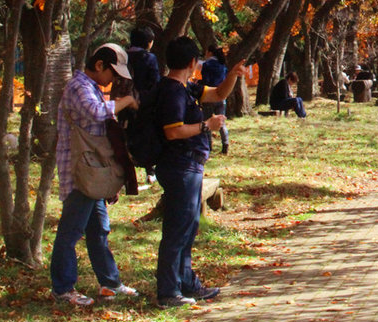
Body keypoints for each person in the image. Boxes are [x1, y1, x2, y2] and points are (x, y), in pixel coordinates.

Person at [155, 36, 246, 307]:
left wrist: (232, 76)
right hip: (179, 166)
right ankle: (168, 291)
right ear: (193, 62)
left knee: (188, 226)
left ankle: (187, 284)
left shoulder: (186, 87)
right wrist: (207, 126)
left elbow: (217, 94)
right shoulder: (172, 91)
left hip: (190, 165)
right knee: (177, 229)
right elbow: (173, 131)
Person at [50, 43, 140, 307]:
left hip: (94, 171)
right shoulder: (78, 87)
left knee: (98, 230)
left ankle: (110, 283)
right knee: (70, 233)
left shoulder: (91, 87)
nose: (113, 80)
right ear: (99, 65)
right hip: (81, 173)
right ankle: (63, 289)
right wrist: (126, 101)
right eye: (112, 73)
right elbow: (96, 112)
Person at [128, 26, 161, 182]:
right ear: (148, 42)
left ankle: (127, 173)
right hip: (144, 103)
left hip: (124, 102)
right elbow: (154, 82)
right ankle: (150, 171)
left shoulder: (124, 57)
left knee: (126, 135)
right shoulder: (149, 58)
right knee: (147, 135)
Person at [199, 45, 229, 154]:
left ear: (210, 52)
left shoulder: (207, 65)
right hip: (221, 95)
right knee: (221, 122)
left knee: (207, 121)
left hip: (209, 95)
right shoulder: (222, 65)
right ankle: (225, 144)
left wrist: (199, 83)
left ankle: (208, 145)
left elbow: (206, 80)